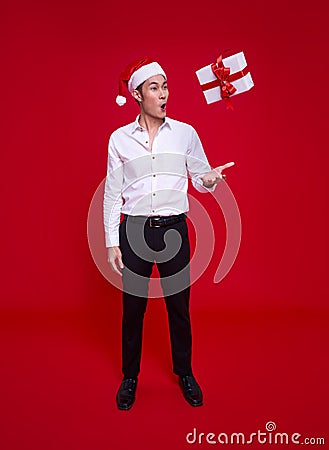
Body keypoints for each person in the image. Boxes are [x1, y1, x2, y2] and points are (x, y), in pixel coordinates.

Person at [103, 56, 234, 410]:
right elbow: (113, 192)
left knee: (179, 307)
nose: (164, 94)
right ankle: (130, 377)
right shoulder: (119, 140)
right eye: (155, 88)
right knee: (133, 309)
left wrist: (209, 180)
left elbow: (200, 177)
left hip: (174, 228)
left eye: (166, 87)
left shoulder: (186, 133)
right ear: (138, 95)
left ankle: (185, 372)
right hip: (133, 230)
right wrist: (111, 242)